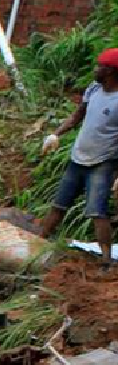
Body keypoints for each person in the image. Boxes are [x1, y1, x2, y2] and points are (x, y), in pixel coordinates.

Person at [39, 48, 118, 265]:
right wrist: (55, 134)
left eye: (100, 66)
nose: (96, 70)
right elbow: (77, 116)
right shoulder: (93, 89)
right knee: (58, 205)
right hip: (78, 159)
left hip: (102, 163)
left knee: (96, 211)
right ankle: (38, 243)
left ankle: (105, 260)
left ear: (111, 71)